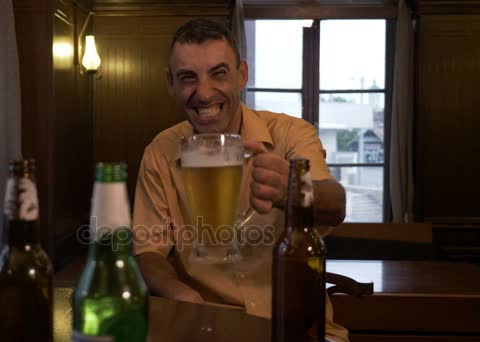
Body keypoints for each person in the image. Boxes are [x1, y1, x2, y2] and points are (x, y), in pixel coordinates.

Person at [132, 18, 348, 341]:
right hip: (208, 328)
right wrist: (180, 293)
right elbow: (149, 251)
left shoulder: (290, 134)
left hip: (297, 330)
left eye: (218, 73)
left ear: (242, 75)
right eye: (188, 78)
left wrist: (294, 186)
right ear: (170, 84)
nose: (204, 93)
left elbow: (336, 205)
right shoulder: (159, 153)